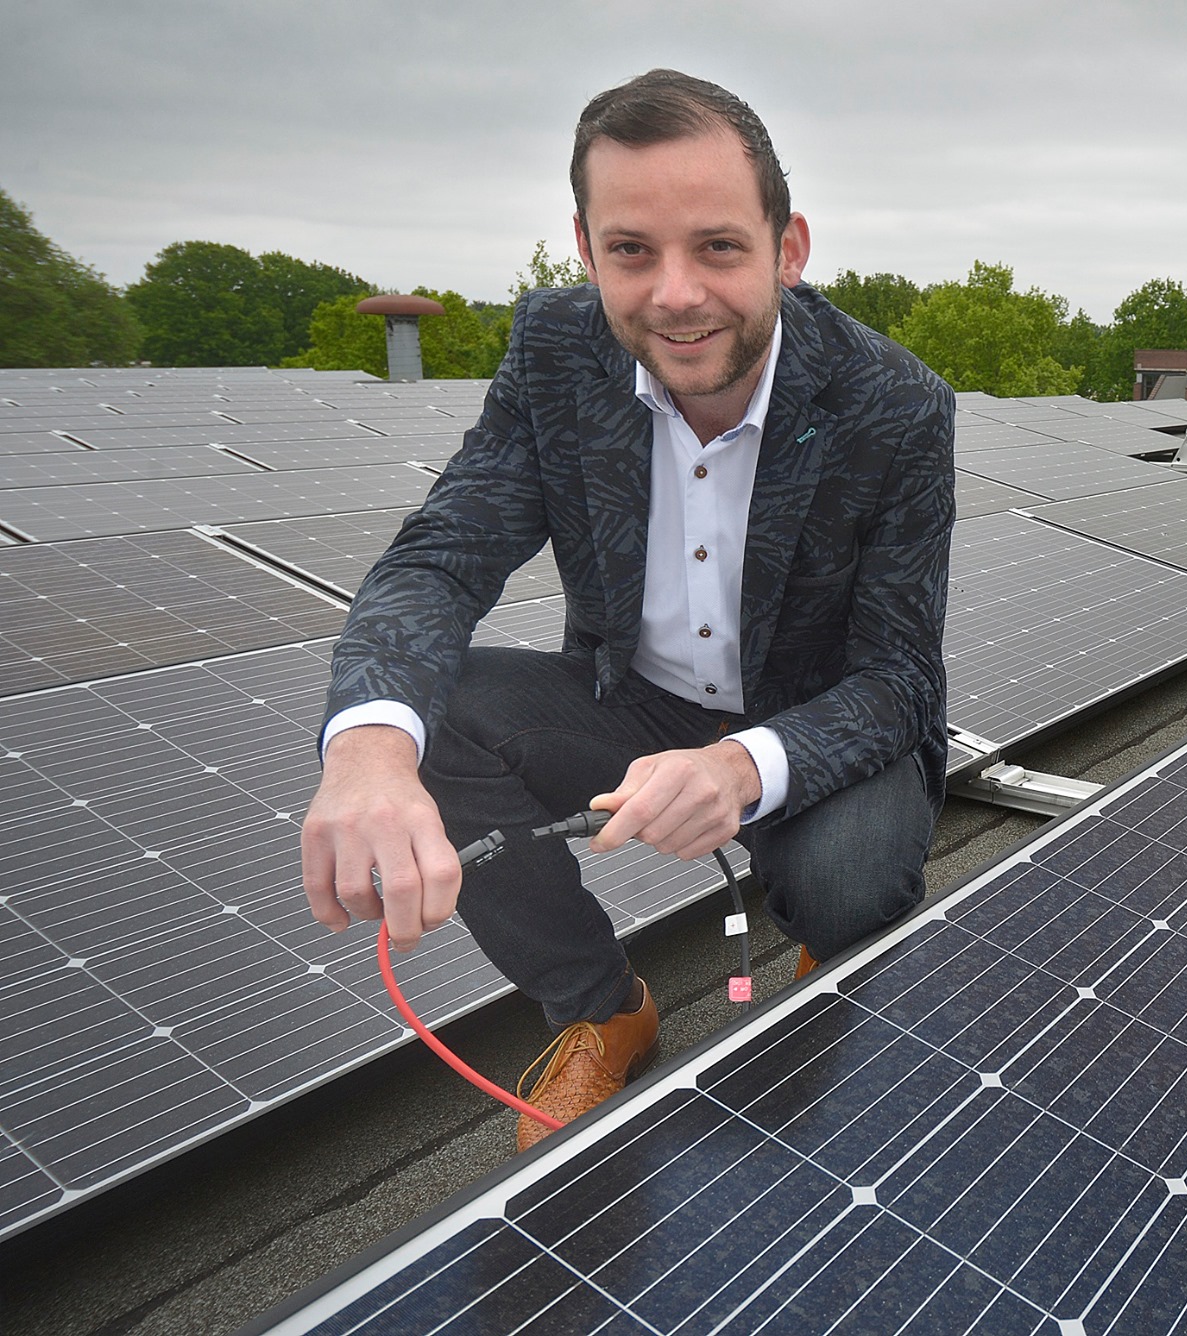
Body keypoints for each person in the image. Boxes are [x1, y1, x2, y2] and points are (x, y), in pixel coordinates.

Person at [299, 69, 954, 1150]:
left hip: (808, 717)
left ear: (787, 249)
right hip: (635, 704)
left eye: (719, 247)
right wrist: (367, 746)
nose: (676, 293)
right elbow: (438, 559)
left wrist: (746, 766)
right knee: (429, 715)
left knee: (846, 882)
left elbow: (898, 681)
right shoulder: (557, 354)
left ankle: (826, 967)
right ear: (585, 247)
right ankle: (603, 1011)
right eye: (632, 251)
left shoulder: (891, 404)